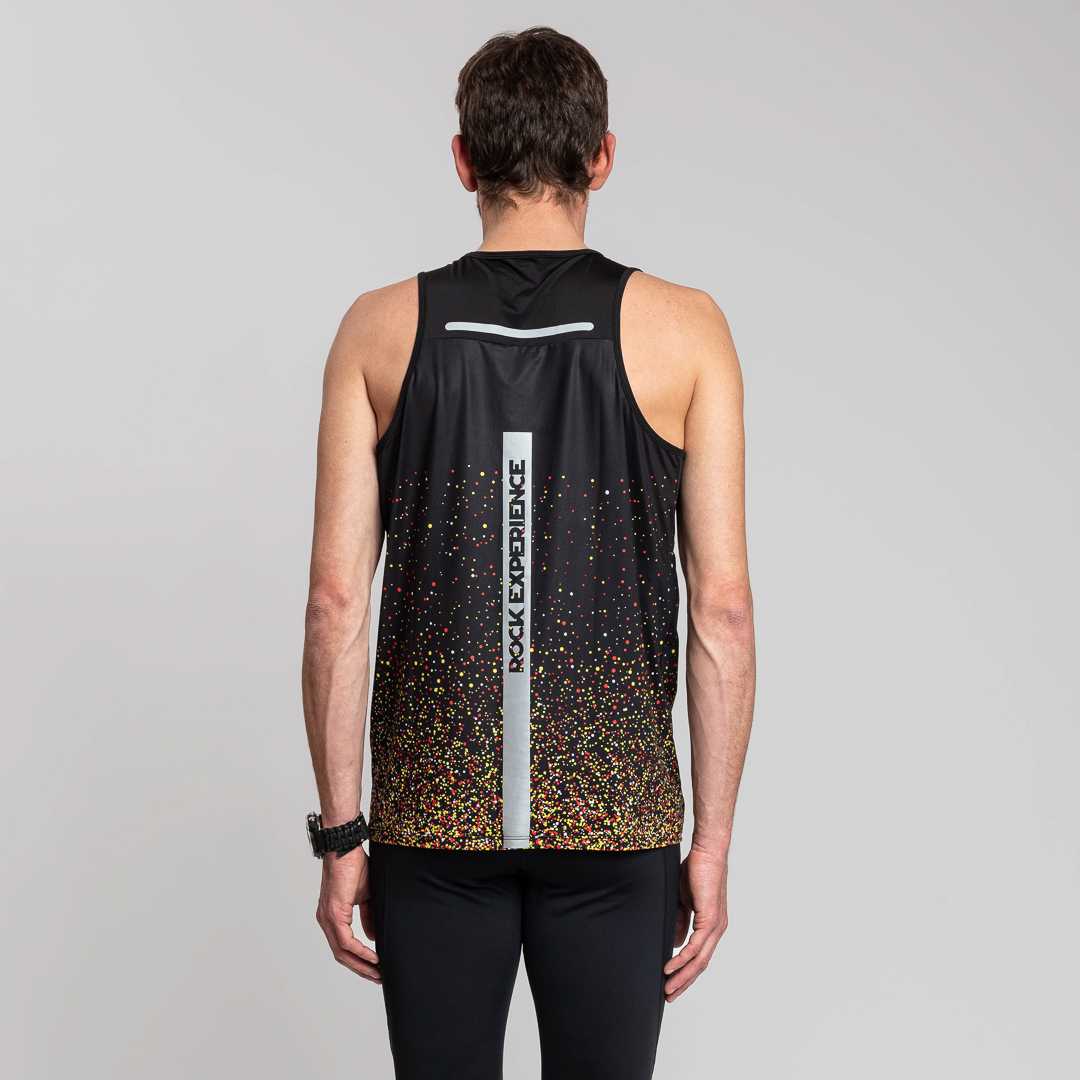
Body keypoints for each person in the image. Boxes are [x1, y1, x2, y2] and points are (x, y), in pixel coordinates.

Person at [301, 25, 755, 1080]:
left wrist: (341, 836)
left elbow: (334, 604)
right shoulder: (688, 332)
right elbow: (722, 612)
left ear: (464, 160)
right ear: (603, 157)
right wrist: (713, 844)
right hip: (616, 822)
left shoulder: (377, 330)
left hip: (431, 825)